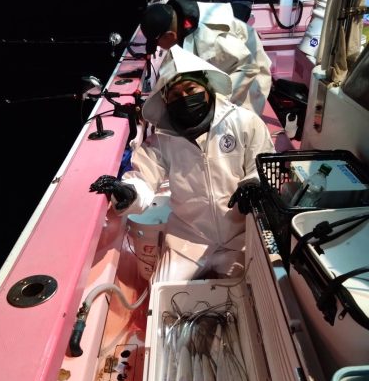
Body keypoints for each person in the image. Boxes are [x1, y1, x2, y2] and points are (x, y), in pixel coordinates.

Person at [90, 46, 275, 282]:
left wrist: (253, 184)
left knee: (256, 290)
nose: (185, 98)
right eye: (176, 95)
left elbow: (263, 165)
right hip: (188, 238)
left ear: (207, 88)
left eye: (191, 89)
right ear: (166, 100)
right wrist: (127, 192)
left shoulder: (245, 122)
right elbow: (143, 179)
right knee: (162, 289)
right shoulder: (160, 141)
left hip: (241, 235)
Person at [140, 0, 271, 115]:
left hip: (250, 76)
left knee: (229, 120)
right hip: (230, 60)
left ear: (170, 35)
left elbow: (249, 67)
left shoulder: (210, 39)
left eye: (157, 43)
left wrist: (218, 101)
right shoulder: (178, 20)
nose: (158, 47)